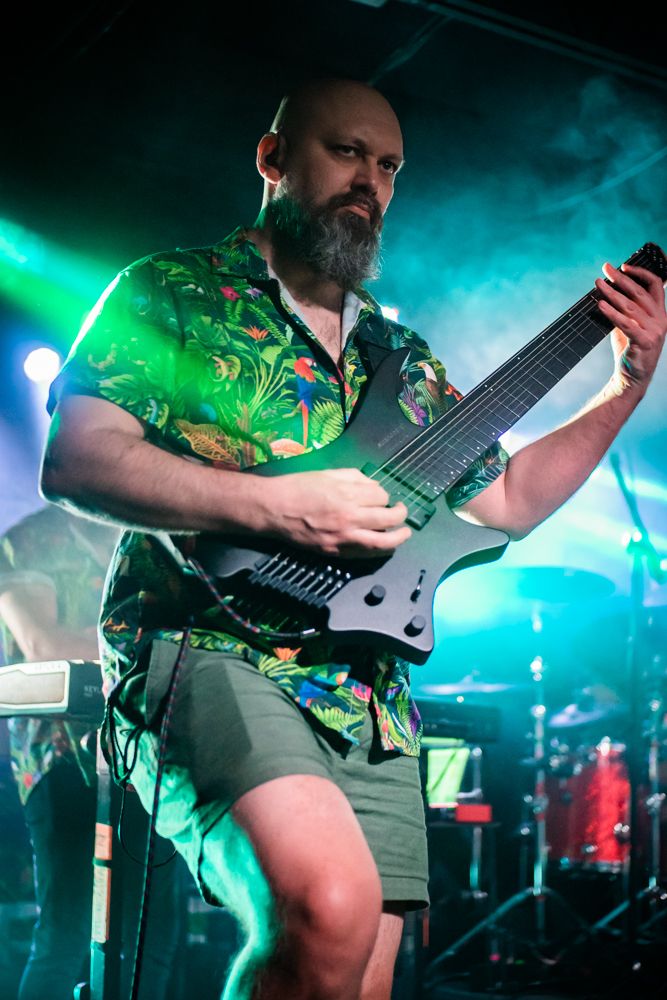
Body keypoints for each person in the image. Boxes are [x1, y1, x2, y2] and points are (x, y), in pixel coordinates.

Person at [37, 77, 666, 1000]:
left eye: (389, 166)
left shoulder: (401, 360)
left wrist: (625, 387)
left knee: (362, 968)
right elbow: (78, 461)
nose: (370, 181)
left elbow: (508, 500)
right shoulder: (174, 291)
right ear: (272, 157)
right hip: (207, 645)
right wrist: (277, 510)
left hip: (366, 694)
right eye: (346, 152)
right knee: (329, 907)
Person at [0, 504, 183, 1000]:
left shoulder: (154, 537)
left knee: (152, 934)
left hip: (150, 750)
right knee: (67, 931)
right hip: (63, 759)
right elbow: (42, 645)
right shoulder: (29, 541)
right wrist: (144, 648)